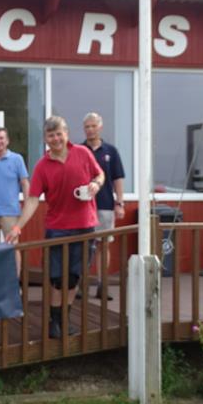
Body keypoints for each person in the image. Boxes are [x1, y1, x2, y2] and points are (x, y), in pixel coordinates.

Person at [6, 116, 104, 339]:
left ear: (66, 134)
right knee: (57, 279)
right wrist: (18, 227)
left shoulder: (83, 153)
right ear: (46, 139)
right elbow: (32, 199)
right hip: (57, 228)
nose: (56, 138)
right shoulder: (42, 166)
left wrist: (96, 184)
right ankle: (54, 320)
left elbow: (100, 174)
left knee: (74, 278)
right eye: (51, 135)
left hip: (85, 226)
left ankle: (63, 320)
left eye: (59, 133)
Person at [81, 112, 125, 301]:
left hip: (105, 204)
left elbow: (118, 178)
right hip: (82, 206)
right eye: (87, 127)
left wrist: (120, 202)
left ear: (100, 127)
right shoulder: (79, 150)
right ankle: (82, 284)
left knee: (103, 245)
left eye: (93, 126)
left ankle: (102, 285)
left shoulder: (111, 151)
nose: (90, 130)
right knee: (83, 246)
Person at [0, 127, 30, 275]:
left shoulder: (17, 159)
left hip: (10, 211)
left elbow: (25, 183)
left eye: (1, 138)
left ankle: (15, 283)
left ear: (7, 141)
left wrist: (27, 205)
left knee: (13, 247)